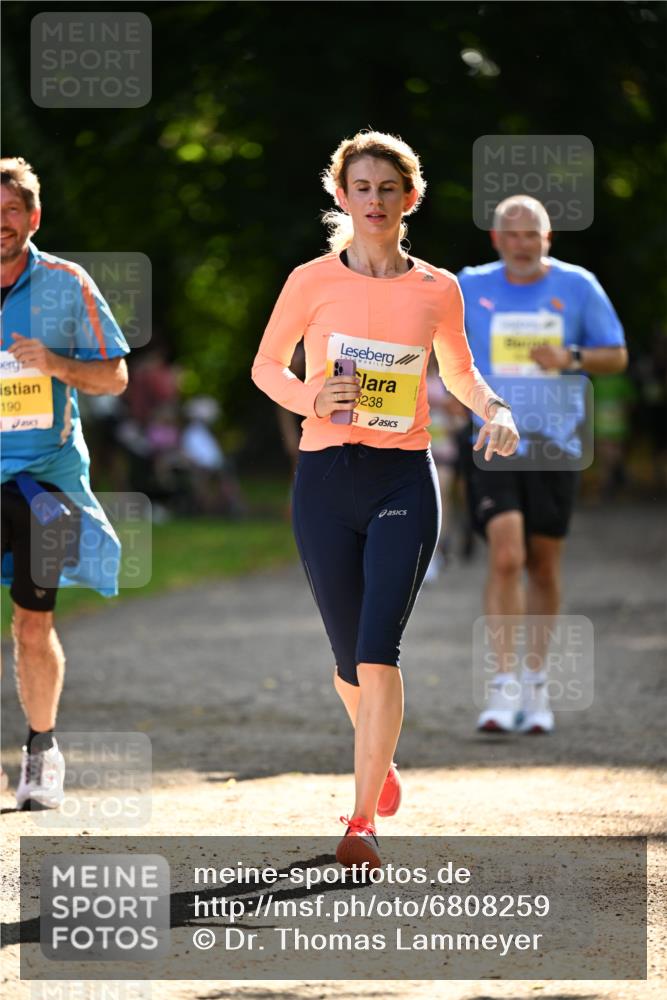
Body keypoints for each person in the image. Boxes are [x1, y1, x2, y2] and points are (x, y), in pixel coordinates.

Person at [251, 131, 519, 867]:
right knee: (347, 659)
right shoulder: (310, 280)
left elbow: (459, 371)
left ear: (411, 197)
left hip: (402, 477)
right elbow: (265, 366)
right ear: (342, 197)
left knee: (378, 650)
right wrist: (310, 396)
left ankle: (361, 819)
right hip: (324, 477)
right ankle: (381, 756)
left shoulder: (437, 288)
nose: (374, 201)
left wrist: (495, 409)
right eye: (361, 188)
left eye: (387, 188)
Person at [458, 195, 627, 735]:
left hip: (556, 442)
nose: (522, 244)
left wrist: (571, 357)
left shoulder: (578, 286)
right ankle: (502, 685)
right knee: (507, 555)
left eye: (532, 234)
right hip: (493, 438)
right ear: (495, 239)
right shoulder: (468, 286)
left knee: (543, 565)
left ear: (547, 237)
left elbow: (616, 354)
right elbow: (436, 342)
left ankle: (535, 681)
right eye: (511, 234)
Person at [1, 157, 130, 808]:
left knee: (32, 622)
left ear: (34, 217)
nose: (1, 223)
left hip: (41, 483)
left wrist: (53, 363)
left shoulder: (66, 283)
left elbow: (114, 377)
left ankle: (41, 749)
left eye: (12, 211)